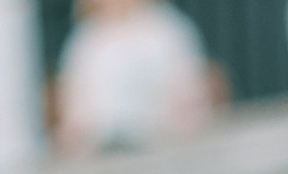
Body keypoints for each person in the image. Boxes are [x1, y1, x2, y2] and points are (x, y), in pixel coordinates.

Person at [52, 0, 226, 153]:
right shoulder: (85, 41)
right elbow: (74, 111)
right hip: (105, 155)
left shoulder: (167, 29)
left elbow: (190, 95)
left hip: (167, 147)